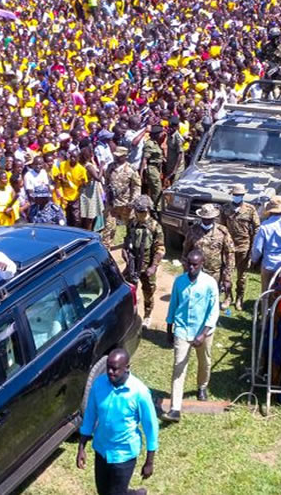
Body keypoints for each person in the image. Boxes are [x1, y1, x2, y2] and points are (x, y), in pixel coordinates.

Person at [77, 348, 158, 495]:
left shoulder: (139, 392)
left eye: (115, 369)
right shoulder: (99, 385)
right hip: (101, 450)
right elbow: (89, 416)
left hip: (124, 455)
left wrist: (149, 461)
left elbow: (150, 427)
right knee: (104, 492)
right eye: (108, 367)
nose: (110, 372)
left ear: (127, 368)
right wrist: (81, 447)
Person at [163, 249, 219, 422]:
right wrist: (169, 328)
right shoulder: (179, 282)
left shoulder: (209, 283)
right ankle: (175, 409)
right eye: (189, 264)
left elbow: (213, 311)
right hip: (182, 329)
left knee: (205, 361)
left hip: (203, 331)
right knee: (178, 367)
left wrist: (202, 334)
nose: (191, 268)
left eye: (195, 265)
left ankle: (202, 386)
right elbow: (174, 304)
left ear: (202, 264)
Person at [123, 195, 164, 327]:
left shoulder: (154, 227)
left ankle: (147, 315)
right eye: (137, 211)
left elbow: (160, 249)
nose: (139, 214)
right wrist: (125, 251)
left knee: (148, 291)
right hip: (132, 265)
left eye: (142, 212)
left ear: (148, 211)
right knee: (128, 288)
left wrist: (153, 266)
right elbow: (127, 239)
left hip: (147, 266)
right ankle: (131, 311)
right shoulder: (132, 224)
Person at [182, 204, 234, 305]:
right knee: (195, 298)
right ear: (201, 217)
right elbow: (186, 250)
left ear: (214, 218)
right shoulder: (193, 230)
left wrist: (227, 275)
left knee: (211, 298)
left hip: (214, 272)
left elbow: (230, 253)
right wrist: (186, 269)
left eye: (210, 218)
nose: (207, 221)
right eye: (204, 218)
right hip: (195, 272)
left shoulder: (222, 232)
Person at [251, 196, 281, 296]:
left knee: (267, 292)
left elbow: (257, 248)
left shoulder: (265, 226)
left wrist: (254, 260)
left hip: (269, 264)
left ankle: (265, 310)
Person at [222, 184, 259, 311]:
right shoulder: (225, 208)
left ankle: (239, 298)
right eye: (236, 195)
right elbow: (221, 227)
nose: (238, 197)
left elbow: (256, 227)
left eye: (240, 195)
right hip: (229, 248)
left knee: (241, 276)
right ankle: (228, 297)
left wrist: (253, 246)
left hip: (244, 247)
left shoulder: (250, 209)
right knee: (227, 274)